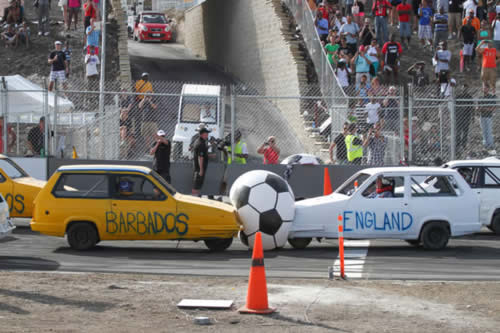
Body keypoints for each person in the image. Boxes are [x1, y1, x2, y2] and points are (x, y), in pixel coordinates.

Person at [455, 84, 473, 158]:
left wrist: (473, 117)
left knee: (465, 131)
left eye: (466, 88)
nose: (464, 90)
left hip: (467, 117)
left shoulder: (469, 97)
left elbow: (471, 108)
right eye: (463, 88)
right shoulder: (458, 97)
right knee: (458, 131)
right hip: (459, 117)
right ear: (461, 89)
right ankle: (458, 144)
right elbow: (455, 107)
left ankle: (464, 145)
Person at [192, 127, 210, 196]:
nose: (207, 135)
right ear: (202, 134)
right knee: (196, 185)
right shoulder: (201, 143)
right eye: (206, 133)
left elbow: (201, 154)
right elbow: (200, 157)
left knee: (198, 185)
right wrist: (201, 170)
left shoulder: (198, 141)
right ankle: (194, 200)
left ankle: (196, 199)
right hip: (199, 169)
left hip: (197, 168)